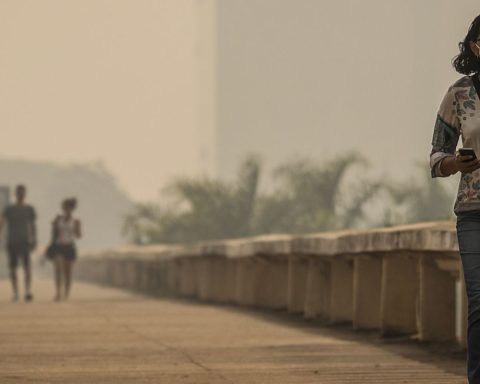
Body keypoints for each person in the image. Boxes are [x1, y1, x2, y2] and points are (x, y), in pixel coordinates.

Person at [430, 15, 480, 384]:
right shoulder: (459, 94)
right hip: (473, 211)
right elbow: (436, 156)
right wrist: (454, 164)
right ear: (475, 46)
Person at [0, 185, 37, 302]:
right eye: (19, 193)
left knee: (27, 267)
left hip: (25, 241)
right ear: (15, 194)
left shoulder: (29, 209)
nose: (20, 195)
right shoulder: (9, 209)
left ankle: (27, 291)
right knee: (13, 268)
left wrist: (34, 239)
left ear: (25, 194)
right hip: (12, 241)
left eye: (22, 193)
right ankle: (15, 292)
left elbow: (32, 225)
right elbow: (2, 222)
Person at [50, 198, 82, 301]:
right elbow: (53, 234)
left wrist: (77, 228)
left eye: (69, 207)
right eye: (65, 207)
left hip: (69, 246)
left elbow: (78, 236)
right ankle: (58, 292)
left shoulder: (75, 220)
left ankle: (66, 293)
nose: (67, 209)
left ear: (72, 208)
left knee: (68, 272)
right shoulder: (58, 219)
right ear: (63, 208)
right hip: (59, 246)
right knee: (58, 269)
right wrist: (54, 225)